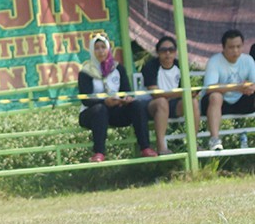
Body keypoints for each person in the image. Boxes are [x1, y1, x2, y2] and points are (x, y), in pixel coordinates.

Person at [78, 33, 156, 162]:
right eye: (96, 48)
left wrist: (125, 99)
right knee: (100, 109)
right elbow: (85, 99)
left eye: (103, 47)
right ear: (92, 50)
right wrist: (105, 101)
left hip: (115, 111)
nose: (100, 51)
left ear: (108, 48)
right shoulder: (85, 71)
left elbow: (126, 92)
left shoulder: (118, 68)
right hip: (92, 113)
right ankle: (99, 153)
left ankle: (145, 147)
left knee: (137, 105)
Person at [141, 35, 200, 155]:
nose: (168, 53)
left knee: (192, 101)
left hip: (173, 104)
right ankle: (161, 147)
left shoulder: (180, 66)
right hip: (151, 105)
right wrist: (180, 93)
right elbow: (155, 93)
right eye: (163, 50)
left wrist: (188, 94)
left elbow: (184, 89)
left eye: (171, 50)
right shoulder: (150, 67)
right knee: (162, 101)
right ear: (157, 52)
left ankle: (193, 144)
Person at [199, 28, 255, 151]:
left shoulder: (248, 60)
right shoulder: (214, 61)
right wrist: (237, 87)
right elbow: (210, 88)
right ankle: (214, 139)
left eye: (238, 46)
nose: (235, 50)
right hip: (217, 104)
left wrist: (250, 88)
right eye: (231, 47)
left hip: (242, 102)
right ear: (223, 47)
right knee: (215, 96)